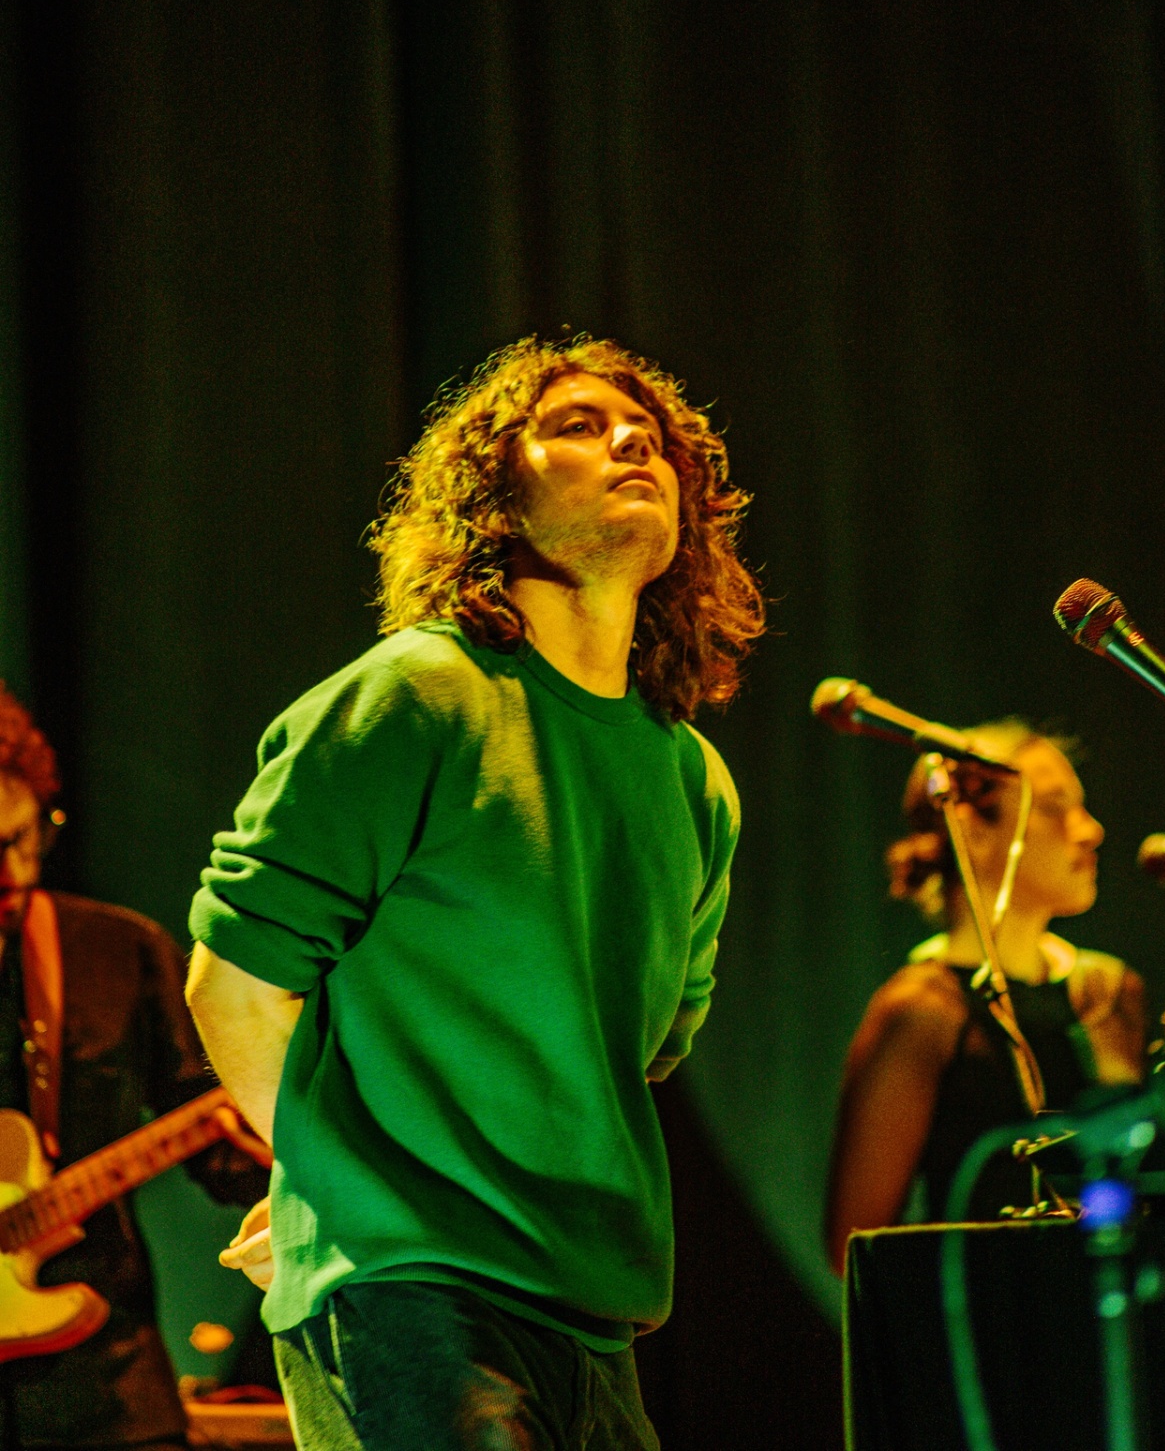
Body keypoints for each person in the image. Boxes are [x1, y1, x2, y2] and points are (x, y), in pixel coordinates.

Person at [185, 335, 765, 1451]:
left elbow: (640, 1050)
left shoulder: (695, 781)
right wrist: (332, 1182)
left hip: (592, 1311)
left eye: (648, 434)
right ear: (494, 494)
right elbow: (236, 981)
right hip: (415, 1291)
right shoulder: (418, 694)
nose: (631, 440)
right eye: (578, 425)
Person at [0, 684, 268, 1449]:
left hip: (107, 1381)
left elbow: (214, 1130)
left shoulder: (118, 950)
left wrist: (279, 1148)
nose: (13, 870)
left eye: (25, 836)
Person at [824, 721, 1146, 1277]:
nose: (1090, 830)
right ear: (973, 830)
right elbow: (855, 1245)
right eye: (1054, 808)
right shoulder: (923, 1010)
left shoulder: (1108, 991)